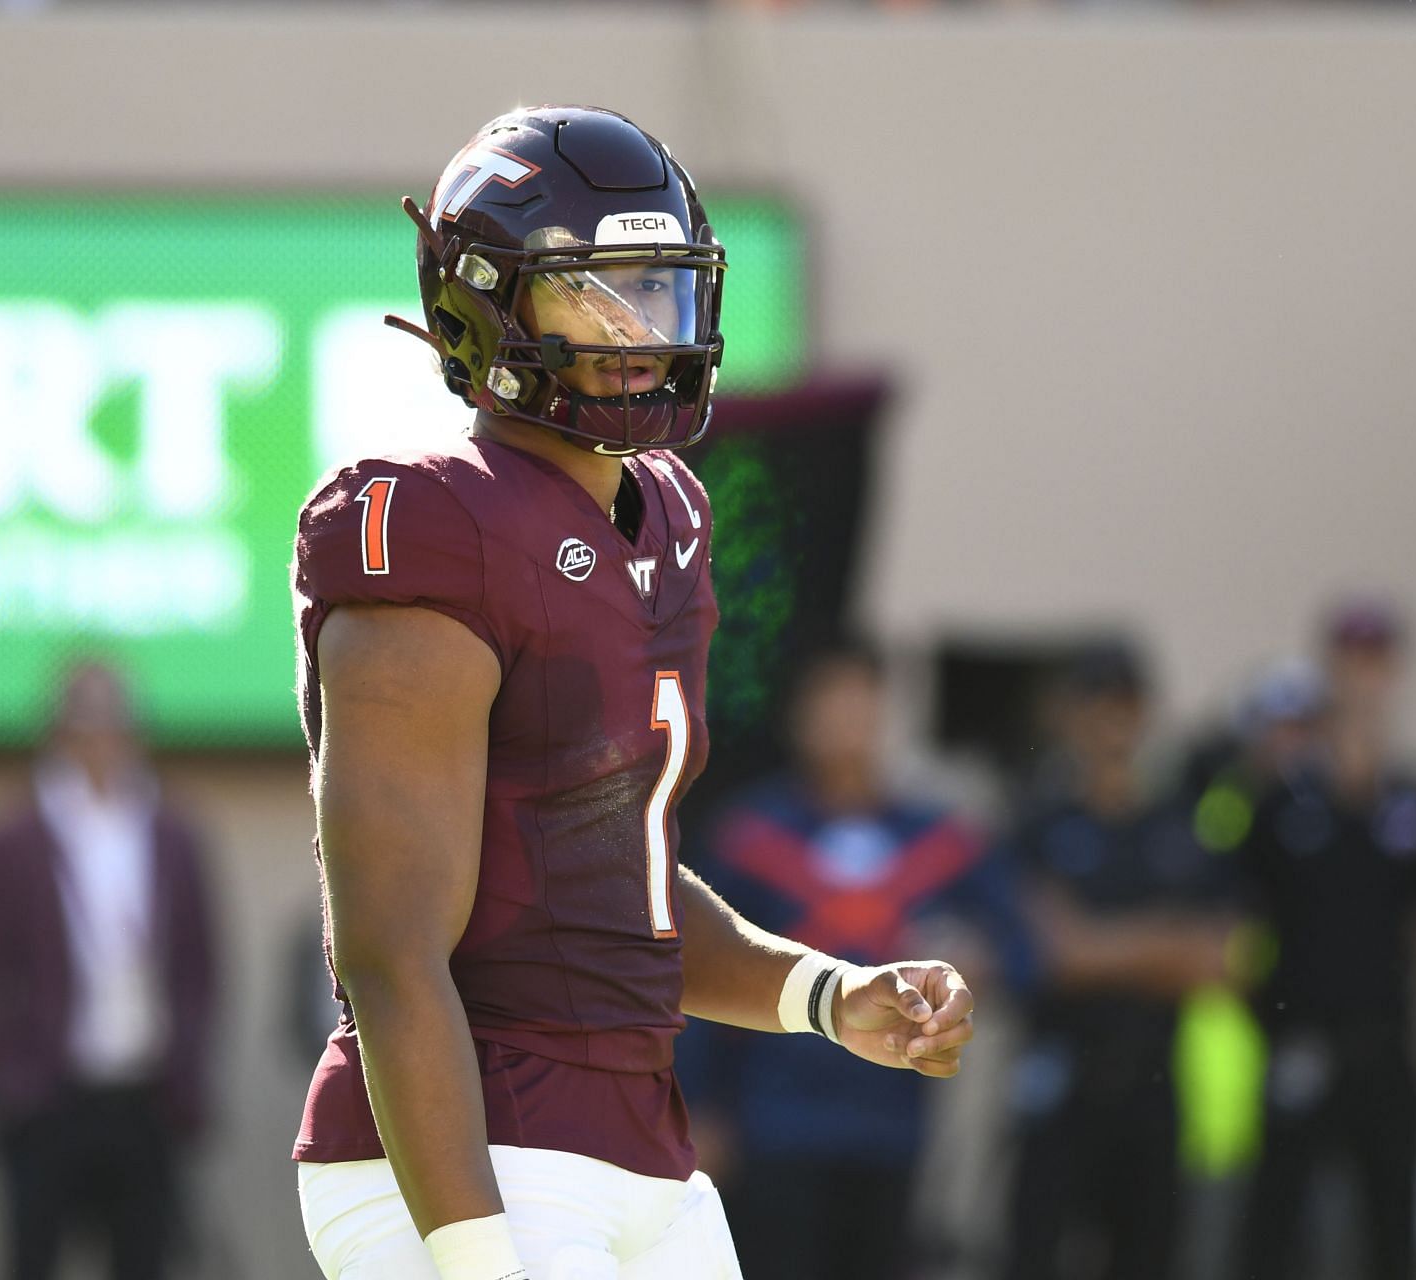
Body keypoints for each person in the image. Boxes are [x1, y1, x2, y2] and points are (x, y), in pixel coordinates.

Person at [289, 105, 978, 1280]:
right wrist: (474, 1256)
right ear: (487, 304)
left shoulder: (668, 512)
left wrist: (826, 992)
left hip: (641, 1149)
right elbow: (392, 955)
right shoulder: (430, 522)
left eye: (655, 292)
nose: (631, 333)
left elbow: (624, 890)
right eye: (587, 294)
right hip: (470, 1151)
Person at [676, 641, 1036, 1280]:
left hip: (893, 1121)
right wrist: (698, 1103)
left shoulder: (940, 839)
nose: (849, 719)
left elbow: (1024, 950)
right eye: (832, 700)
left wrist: (976, 958)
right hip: (777, 1119)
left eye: (863, 700)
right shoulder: (751, 833)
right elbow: (699, 969)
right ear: (801, 714)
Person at [0, 661, 222, 1280]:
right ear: (56, 731)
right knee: (33, 1257)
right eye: (85, 720)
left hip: (143, 1098)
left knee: (143, 1257)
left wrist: (187, 1072)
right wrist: (12, 1072)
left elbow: (200, 968)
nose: (100, 737)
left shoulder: (171, 831)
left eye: (113, 720)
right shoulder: (13, 837)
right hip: (49, 1100)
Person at [1000, 642, 1244, 1280]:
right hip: (1059, 1083)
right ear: (1071, 717)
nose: (1113, 723)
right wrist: (1161, 940)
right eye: (1098, 706)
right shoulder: (1038, 823)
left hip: (1155, 1087)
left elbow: (1218, 960)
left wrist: (1099, 941)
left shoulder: (1180, 830)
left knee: (1152, 1257)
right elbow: (1055, 953)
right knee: (1036, 1254)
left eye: (1126, 706)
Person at [1234, 597, 1416, 1280]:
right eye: (1351, 662)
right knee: (1278, 1225)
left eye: (1377, 662)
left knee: (1392, 1226)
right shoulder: (1283, 802)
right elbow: (1243, 915)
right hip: (1301, 1040)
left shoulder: (1413, 801)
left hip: (1386, 1043)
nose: (1364, 679)